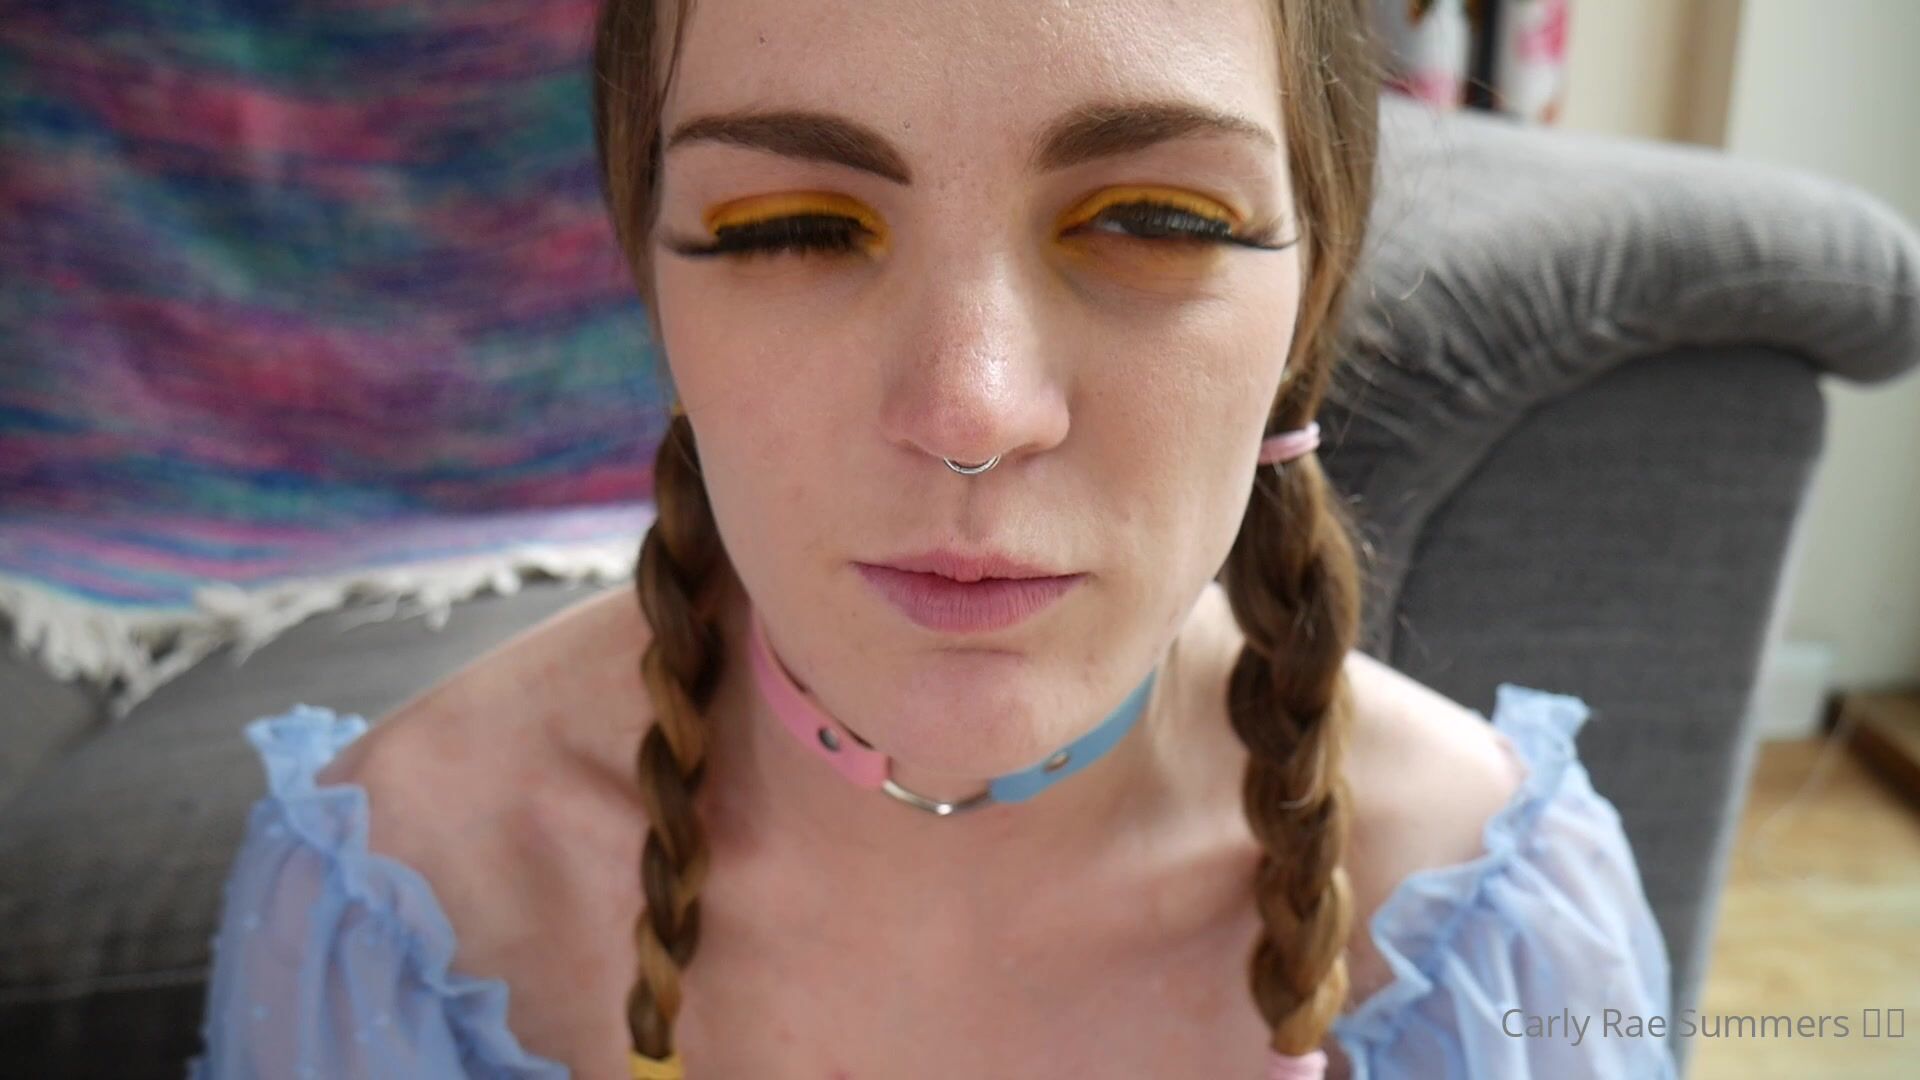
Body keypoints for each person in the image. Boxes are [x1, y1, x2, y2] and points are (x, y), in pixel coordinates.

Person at [190, 0, 1679, 1076]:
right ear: (654, 287)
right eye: (787, 227)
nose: (972, 412)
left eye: (1157, 218)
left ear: (1310, 299)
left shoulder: (1493, 928)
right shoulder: (404, 907)